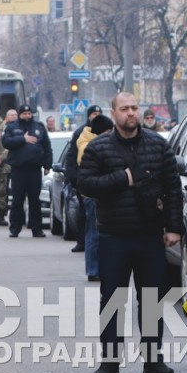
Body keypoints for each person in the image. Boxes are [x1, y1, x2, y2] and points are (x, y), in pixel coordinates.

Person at [74, 90, 183, 373]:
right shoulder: (99, 148)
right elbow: (85, 184)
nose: (131, 113)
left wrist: (173, 227)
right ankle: (110, 361)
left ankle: (153, 359)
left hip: (150, 235)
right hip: (113, 236)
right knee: (112, 300)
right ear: (114, 113)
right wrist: (123, 178)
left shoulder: (158, 146)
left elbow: (174, 188)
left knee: (151, 298)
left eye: (135, 107)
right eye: (125, 109)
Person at [2, 102, 53, 238]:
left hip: (34, 169)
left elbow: (47, 146)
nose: (27, 116)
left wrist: (48, 165)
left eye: (29, 113)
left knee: (34, 200)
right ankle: (15, 228)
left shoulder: (39, 127)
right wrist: (22, 139)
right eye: (24, 114)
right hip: (18, 169)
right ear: (20, 115)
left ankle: (37, 228)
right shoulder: (12, 127)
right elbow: (6, 142)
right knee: (17, 200)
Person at [73, 108, 114, 278]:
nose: (111, 134)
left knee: (99, 233)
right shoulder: (89, 146)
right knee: (94, 233)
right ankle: (93, 269)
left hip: (99, 193)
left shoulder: (87, 140)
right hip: (94, 195)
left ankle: (99, 268)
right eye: (108, 131)